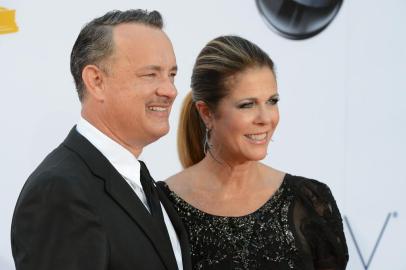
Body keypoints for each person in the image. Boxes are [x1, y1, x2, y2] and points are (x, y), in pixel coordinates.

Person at [11, 9, 191, 270]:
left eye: (171, 75)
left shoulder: (142, 182)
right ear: (96, 81)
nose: (170, 90)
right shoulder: (59, 191)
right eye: (150, 75)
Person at [158, 35, 349, 270]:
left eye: (272, 101)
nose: (265, 118)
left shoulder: (309, 201)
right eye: (247, 104)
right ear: (207, 113)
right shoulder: (161, 207)